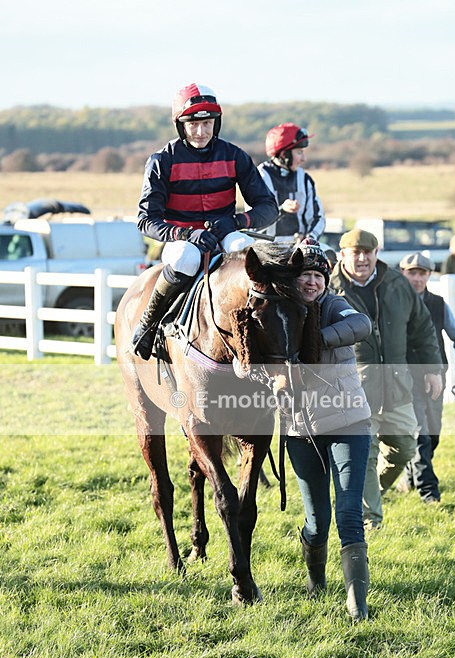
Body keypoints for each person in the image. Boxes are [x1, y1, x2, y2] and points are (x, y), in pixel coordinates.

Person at [132, 83, 278, 360]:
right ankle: (148, 323)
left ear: (216, 122)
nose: (201, 132)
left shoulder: (235, 156)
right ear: (181, 125)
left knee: (244, 248)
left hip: (224, 234)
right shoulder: (162, 161)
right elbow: (146, 220)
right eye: (193, 125)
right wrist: (185, 234)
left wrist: (237, 221)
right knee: (187, 257)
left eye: (208, 123)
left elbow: (268, 208)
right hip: (181, 242)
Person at [329, 229, 443, 528]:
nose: (363, 258)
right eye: (356, 252)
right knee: (365, 454)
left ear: (377, 253)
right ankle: (370, 520)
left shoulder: (396, 283)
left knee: (404, 448)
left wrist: (432, 369)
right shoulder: (330, 289)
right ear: (343, 255)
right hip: (354, 388)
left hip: (397, 384)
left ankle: (365, 496)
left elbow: (422, 327)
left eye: (368, 252)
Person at [284, 238, 373, 620]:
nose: (312, 282)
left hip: (349, 421)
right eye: (305, 274)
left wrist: (317, 339)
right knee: (317, 522)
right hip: (300, 430)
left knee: (349, 512)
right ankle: (316, 581)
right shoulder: (278, 313)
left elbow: (361, 324)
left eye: (318, 275)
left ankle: (357, 605)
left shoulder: (332, 305)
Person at [398, 252, 455, 502]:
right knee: (421, 433)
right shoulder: (392, 303)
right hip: (405, 378)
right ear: (403, 273)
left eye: (423, 273)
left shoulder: (439, 304)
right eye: (413, 273)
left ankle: (410, 474)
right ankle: (428, 491)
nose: (418, 278)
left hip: (435, 377)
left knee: (433, 436)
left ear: (429, 275)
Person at [255, 123, 325, 242]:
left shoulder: (304, 178)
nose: (304, 159)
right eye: (299, 152)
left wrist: (310, 239)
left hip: (300, 249)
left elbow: (318, 217)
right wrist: (281, 210)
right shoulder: (260, 177)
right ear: (284, 154)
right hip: (265, 250)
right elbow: (254, 224)